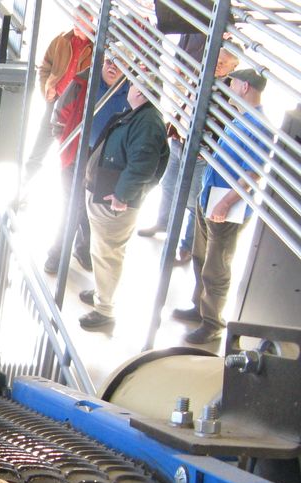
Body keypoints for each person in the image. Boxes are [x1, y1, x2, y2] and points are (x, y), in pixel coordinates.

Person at [174, 68, 271, 344]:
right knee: (200, 257)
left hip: (225, 206)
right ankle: (199, 307)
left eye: (233, 83)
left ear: (244, 87)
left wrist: (226, 203)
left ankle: (212, 323)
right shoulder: (240, 117)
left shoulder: (260, 126)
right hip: (210, 197)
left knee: (216, 267)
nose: (229, 88)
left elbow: (252, 174)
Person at [78, 78, 170, 331]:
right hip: (105, 193)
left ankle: (104, 310)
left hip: (113, 201)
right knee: (101, 250)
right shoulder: (138, 115)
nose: (129, 88)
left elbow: (142, 166)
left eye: (133, 85)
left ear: (141, 92)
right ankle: (101, 292)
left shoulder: (148, 122)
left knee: (108, 253)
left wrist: (122, 195)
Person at [138, 42, 240, 265]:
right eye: (217, 59)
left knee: (194, 202)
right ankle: (162, 223)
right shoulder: (200, 74)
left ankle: (187, 247)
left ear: (233, 67)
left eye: (223, 63)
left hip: (202, 153)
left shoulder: (232, 92)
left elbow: (227, 125)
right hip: (179, 141)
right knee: (168, 186)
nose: (217, 65)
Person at [44, 52, 130, 274]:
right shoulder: (83, 82)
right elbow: (60, 113)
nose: (113, 67)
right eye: (110, 62)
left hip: (106, 161)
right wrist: (63, 141)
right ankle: (57, 254)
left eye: (120, 64)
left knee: (92, 206)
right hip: (77, 153)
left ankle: (82, 249)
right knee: (72, 206)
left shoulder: (132, 92)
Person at [24, 8, 94, 179]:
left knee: (69, 149)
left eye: (81, 20)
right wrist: (46, 88)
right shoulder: (61, 40)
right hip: (56, 100)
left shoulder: (95, 48)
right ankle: (27, 178)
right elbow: (45, 66)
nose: (76, 23)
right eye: (75, 18)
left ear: (91, 21)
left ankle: (66, 181)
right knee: (42, 141)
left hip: (75, 108)